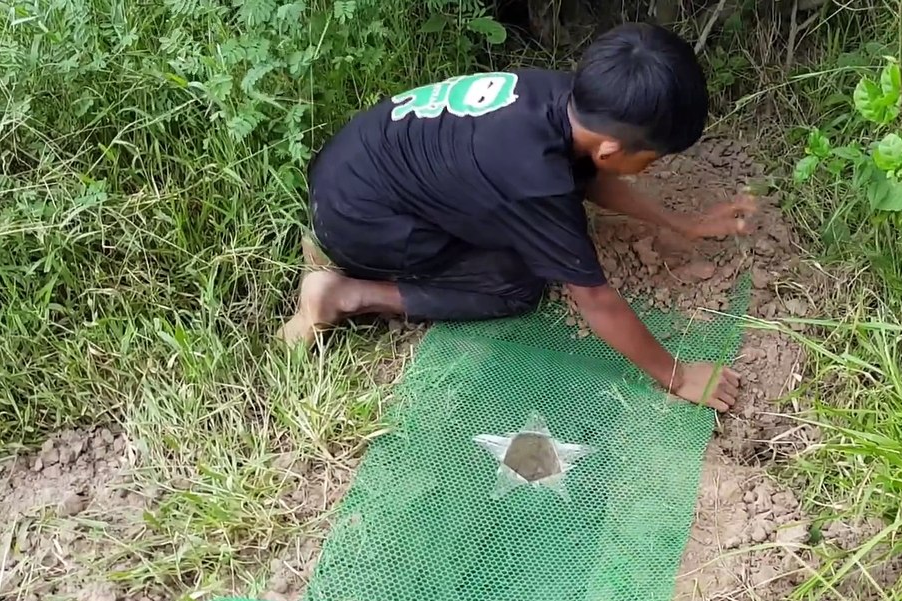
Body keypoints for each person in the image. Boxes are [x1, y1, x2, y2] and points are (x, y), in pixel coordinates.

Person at [279, 22, 756, 411]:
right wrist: (677, 375)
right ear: (612, 149)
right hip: (361, 224)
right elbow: (595, 301)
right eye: (650, 160)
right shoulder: (535, 179)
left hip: (351, 169)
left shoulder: (562, 97)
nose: (649, 169)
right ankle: (346, 293)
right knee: (519, 282)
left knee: (535, 224)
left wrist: (680, 223)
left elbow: (588, 174)